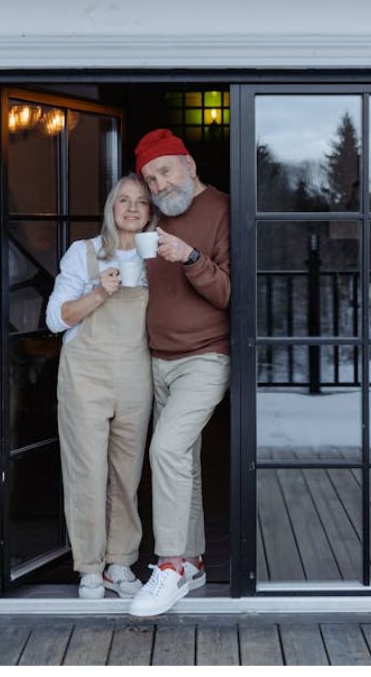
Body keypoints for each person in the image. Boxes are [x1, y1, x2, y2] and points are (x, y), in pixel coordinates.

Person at [127, 129, 231, 617]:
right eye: (150, 178)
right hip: (155, 358)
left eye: (165, 170)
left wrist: (189, 258)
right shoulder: (152, 219)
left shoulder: (224, 209)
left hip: (206, 356)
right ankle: (192, 561)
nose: (159, 184)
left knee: (166, 449)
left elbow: (234, 294)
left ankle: (167, 567)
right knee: (181, 458)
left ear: (188, 164)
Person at [45, 173, 154, 599]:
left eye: (141, 202)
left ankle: (120, 564)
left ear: (149, 214)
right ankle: (89, 566)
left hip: (135, 372)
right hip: (86, 373)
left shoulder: (154, 258)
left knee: (126, 473)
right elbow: (55, 318)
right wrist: (98, 292)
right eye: (123, 200)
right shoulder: (83, 254)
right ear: (111, 208)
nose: (131, 208)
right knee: (86, 470)